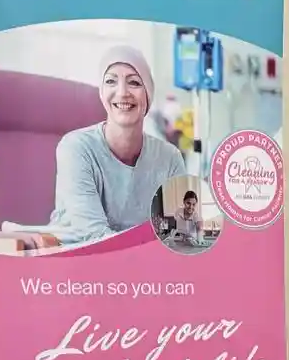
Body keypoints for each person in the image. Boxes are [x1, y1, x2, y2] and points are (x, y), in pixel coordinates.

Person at [49, 45, 187, 245]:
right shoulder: (76, 148)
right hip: (76, 265)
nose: (122, 93)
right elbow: (94, 236)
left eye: (133, 82)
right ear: (102, 92)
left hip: (146, 269)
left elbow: (182, 235)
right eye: (111, 81)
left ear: (147, 94)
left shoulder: (170, 158)